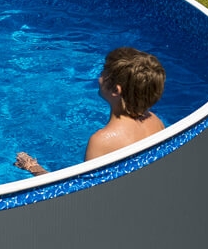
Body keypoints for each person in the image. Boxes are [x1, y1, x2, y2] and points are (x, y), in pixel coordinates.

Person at [15, 47, 166, 176]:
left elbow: (82, 189)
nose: (99, 78)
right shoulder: (154, 121)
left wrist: (32, 167)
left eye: (104, 72)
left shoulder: (102, 141)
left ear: (115, 90)